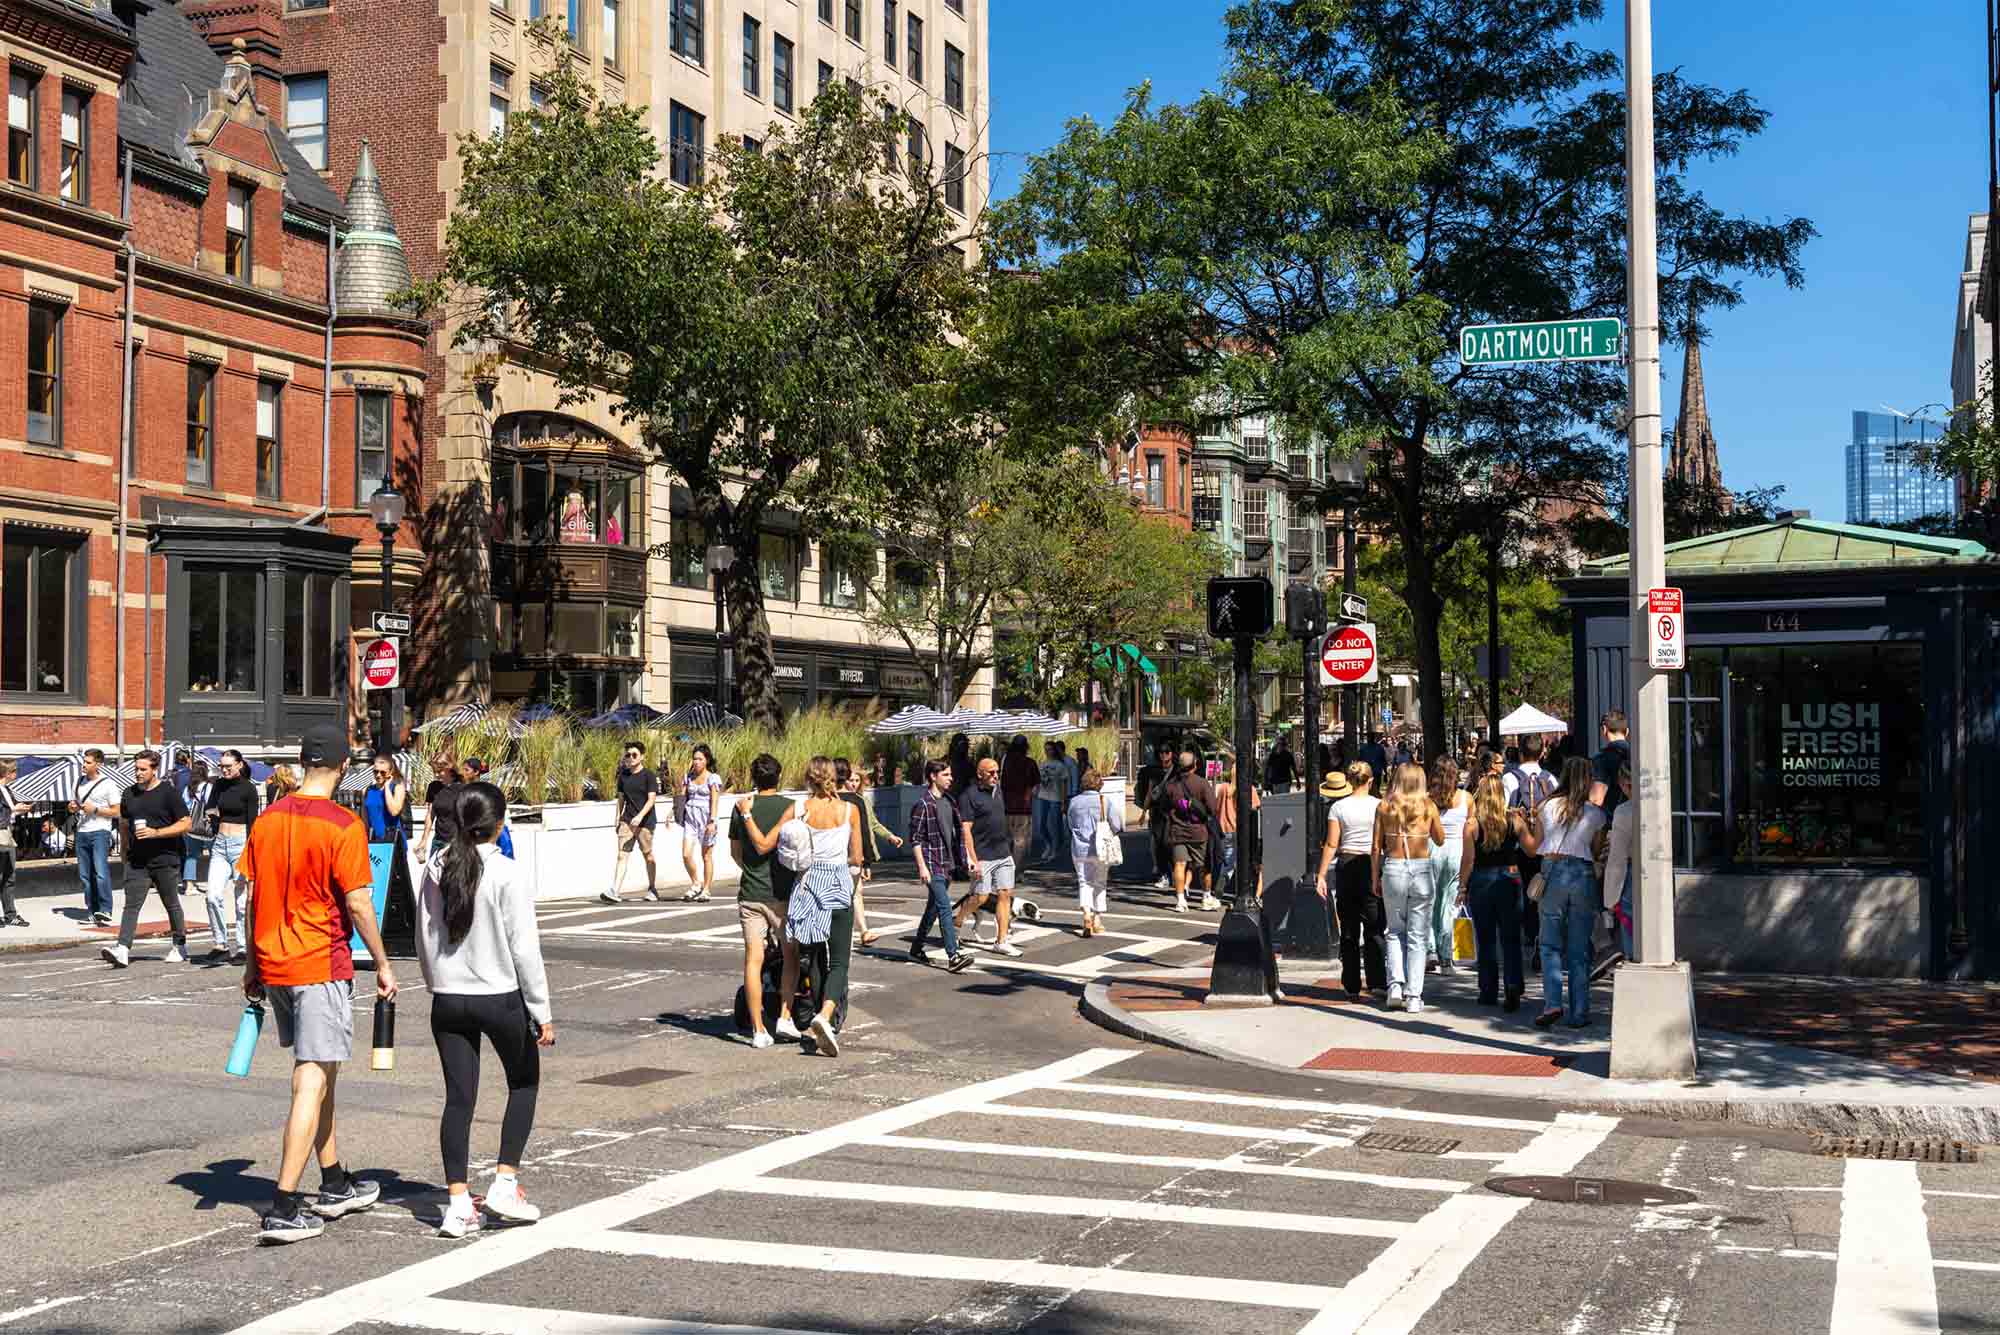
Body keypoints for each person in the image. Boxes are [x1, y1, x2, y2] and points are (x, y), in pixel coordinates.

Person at [238, 723, 396, 1245]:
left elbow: (252, 894)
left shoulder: (267, 819)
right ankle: (285, 1203)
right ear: (342, 767)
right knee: (312, 1076)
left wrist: (251, 965)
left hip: (273, 959)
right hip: (319, 961)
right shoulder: (343, 824)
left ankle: (333, 1182)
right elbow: (357, 903)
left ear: (304, 762)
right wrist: (383, 962)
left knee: (322, 1070)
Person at [415, 781, 553, 1238]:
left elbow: (422, 935)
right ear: (499, 822)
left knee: (459, 1098)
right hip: (499, 995)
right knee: (524, 1081)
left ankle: (457, 1202)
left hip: (448, 997)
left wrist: (435, 980)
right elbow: (525, 949)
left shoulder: (436, 866)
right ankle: (505, 1181)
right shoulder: (507, 872)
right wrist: (541, 1009)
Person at [753, 757, 858, 1057]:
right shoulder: (849, 810)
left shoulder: (798, 809)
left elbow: (768, 843)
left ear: (809, 778)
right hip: (837, 882)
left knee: (813, 954)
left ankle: (815, 1010)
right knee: (839, 960)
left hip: (807, 884)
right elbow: (857, 856)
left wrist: (748, 816)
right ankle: (825, 1016)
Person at [730, 753, 808, 1043]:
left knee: (753, 960)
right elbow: (769, 846)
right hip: (781, 893)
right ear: (779, 776)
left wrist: (751, 871)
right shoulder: (789, 807)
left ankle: (758, 1030)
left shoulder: (740, 807)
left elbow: (736, 853)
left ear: (754, 778)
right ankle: (785, 1018)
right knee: (791, 955)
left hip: (750, 892)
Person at [1534, 756, 1607, 1029]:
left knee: (1550, 944)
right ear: (1587, 780)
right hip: (1582, 875)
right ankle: (1579, 1011)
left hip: (1552, 871)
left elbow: (1535, 843)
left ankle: (1553, 1002)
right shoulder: (1596, 814)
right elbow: (1597, 851)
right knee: (1579, 948)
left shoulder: (1546, 806)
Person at [102, 750, 191, 968]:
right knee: (131, 905)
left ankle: (179, 945)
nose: (138, 773)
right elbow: (124, 823)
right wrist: (124, 850)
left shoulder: (168, 793)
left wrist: (156, 833)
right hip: (137, 859)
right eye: (136, 769)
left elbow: (186, 823)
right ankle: (122, 949)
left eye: (143, 769)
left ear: (154, 769)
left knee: (171, 903)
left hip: (166, 857)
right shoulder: (129, 793)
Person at [1459, 776, 1536, 1010]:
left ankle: (1488, 989)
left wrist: (1462, 886)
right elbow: (1532, 850)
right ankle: (1513, 985)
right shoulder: (1513, 819)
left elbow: (1468, 860)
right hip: (1509, 876)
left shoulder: (1472, 824)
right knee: (1511, 936)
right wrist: (1533, 823)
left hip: (1482, 878)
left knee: (1486, 937)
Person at [1372, 763, 1443, 1013]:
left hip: (1393, 867)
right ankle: (1414, 995)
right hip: (1421, 868)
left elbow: (1375, 847)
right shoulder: (1428, 806)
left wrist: (1374, 878)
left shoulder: (1384, 806)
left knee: (1394, 931)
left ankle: (1394, 986)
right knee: (1417, 935)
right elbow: (1440, 838)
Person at [1315, 763, 1383, 998]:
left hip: (1346, 863)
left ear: (1350, 782)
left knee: (1349, 927)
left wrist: (1321, 874)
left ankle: (1351, 983)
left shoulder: (1338, 807)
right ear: (1370, 781)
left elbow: (1332, 843)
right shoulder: (1379, 806)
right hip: (1372, 863)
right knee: (1375, 925)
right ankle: (1377, 980)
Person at [905, 759, 972, 972]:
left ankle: (916, 949)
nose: (951, 778)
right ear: (933, 776)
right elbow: (915, 839)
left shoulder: (950, 801)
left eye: (950, 774)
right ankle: (953, 955)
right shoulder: (922, 805)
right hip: (932, 863)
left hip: (948, 863)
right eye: (946, 775)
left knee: (933, 908)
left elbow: (956, 835)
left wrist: (967, 857)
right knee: (944, 906)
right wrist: (922, 867)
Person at [952, 756, 1021, 956]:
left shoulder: (997, 790)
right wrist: (972, 859)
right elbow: (966, 830)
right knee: (980, 897)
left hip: (1003, 853)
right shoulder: (969, 796)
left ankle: (1001, 941)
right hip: (982, 855)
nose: (995, 776)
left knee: (1005, 894)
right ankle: (957, 920)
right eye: (991, 772)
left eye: (997, 772)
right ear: (979, 774)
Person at [203, 749, 260, 963]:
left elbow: (253, 822)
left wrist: (251, 850)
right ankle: (220, 943)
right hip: (219, 844)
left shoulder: (249, 789)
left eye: (228, 766)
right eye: (222, 766)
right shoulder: (218, 784)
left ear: (239, 765)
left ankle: (244, 947)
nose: (224, 770)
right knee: (212, 896)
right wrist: (211, 815)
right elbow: (209, 807)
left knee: (241, 901)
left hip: (241, 845)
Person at [837, 757, 901, 947]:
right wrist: (866, 861)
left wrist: (888, 837)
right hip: (851, 856)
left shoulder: (855, 800)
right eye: (852, 780)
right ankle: (858, 931)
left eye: (858, 780)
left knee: (854, 893)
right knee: (853, 894)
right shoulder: (855, 802)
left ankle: (862, 930)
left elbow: (870, 826)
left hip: (844, 855)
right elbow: (864, 831)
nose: (854, 784)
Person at [601, 740, 660, 904]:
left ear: (641, 757)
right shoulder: (623, 776)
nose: (631, 758)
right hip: (627, 820)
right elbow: (620, 799)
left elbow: (651, 800)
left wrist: (640, 816)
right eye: (628, 755)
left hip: (645, 821)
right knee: (622, 855)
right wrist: (618, 817)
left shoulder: (649, 775)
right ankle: (615, 890)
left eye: (634, 755)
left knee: (648, 855)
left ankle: (652, 888)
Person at [1427, 758, 1471, 977]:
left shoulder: (1429, 798)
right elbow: (1472, 829)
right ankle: (1446, 958)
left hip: (1432, 847)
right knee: (1448, 905)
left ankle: (1430, 950)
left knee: (1429, 901)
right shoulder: (1466, 798)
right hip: (1457, 851)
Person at [1067, 767, 1122, 936]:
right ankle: (1097, 919)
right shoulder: (1104, 801)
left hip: (1079, 848)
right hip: (1101, 849)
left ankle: (1086, 914)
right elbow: (1117, 825)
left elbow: (1070, 823)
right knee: (1100, 883)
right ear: (1099, 784)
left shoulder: (1074, 801)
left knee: (1084, 882)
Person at [1161, 749, 1217, 915]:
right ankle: (1206, 897)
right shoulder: (1202, 783)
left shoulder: (1171, 785)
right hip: (1198, 832)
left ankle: (1180, 900)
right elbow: (1212, 809)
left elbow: (1163, 807)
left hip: (1178, 831)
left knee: (1179, 865)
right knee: (1204, 866)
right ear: (1195, 766)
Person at [72, 747, 120, 926]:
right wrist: (73, 807)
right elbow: (76, 804)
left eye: (88, 762)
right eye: (84, 761)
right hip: (82, 831)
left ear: (98, 764)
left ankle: (105, 910)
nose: (84, 765)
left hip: (100, 830)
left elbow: (117, 811)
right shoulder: (78, 782)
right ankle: (92, 911)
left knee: (100, 872)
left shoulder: (108, 784)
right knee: (85, 875)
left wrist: (96, 809)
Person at [677, 744, 723, 903]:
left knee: (706, 856)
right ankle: (696, 882)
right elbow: (682, 797)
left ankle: (706, 889)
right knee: (686, 854)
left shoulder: (713, 778)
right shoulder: (688, 777)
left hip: (706, 817)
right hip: (690, 817)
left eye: (700, 759)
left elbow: (715, 801)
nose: (696, 762)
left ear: (706, 760)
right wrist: (673, 812)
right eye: (694, 758)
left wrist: (713, 821)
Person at [1600, 763, 1635, 964]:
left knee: (1631, 935)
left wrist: (1610, 899)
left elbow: (1617, 859)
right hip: (1659, 875)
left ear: (1623, 784)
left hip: (1630, 877)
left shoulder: (1623, 812)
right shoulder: (1662, 805)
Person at [1215, 761, 1262, 904]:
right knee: (1244, 862)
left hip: (1225, 829)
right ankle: (1241, 892)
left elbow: (1217, 808)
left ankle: (1223, 878)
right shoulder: (1249, 789)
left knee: (1229, 860)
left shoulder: (1223, 788)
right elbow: (1255, 809)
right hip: (1241, 829)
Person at [1134, 742, 1174, 892]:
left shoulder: (1176, 771)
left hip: (1172, 812)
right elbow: (1150, 793)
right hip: (1157, 812)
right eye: (1161, 752)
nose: (1164, 755)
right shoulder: (1154, 772)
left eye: (1166, 752)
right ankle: (1164, 875)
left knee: (1171, 845)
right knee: (1159, 844)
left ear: (1172, 754)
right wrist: (1143, 812)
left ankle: (1175, 874)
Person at [999, 735, 1038, 865]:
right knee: (1020, 841)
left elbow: (1001, 782)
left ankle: (1006, 869)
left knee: (1007, 839)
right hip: (1024, 807)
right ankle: (1017, 871)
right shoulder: (1030, 763)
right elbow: (1036, 786)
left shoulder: (1005, 761)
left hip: (1006, 805)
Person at [1029, 740, 1069, 868]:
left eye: (1050, 749)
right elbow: (1037, 780)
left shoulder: (1061, 766)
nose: (1047, 751)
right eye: (1045, 749)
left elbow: (1064, 785)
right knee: (1041, 825)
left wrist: (1063, 801)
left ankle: (1055, 849)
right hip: (1042, 797)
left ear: (1054, 750)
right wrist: (1035, 789)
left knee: (1054, 825)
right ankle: (1049, 844)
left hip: (1055, 798)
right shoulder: (1042, 764)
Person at [1588, 710, 1631, 818]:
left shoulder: (1601, 759)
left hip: (1613, 823)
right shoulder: (1638, 755)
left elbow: (1596, 799)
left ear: (1604, 730)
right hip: (1640, 819)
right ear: (1627, 732)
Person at [182, 759, 215, 886]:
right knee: (214, 854)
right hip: (206, 824)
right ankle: (212, 882)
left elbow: (183, 804)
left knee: (191, 855)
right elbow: (211, 805)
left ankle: (189, 884)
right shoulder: (209, 787)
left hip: (191, 825)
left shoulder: (188, 788)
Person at [364, 752, 408, 844]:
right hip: (374, 840)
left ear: (390, 772)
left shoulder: (397, 786)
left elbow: (394, 811)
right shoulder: (368, 790)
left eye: (383, 772)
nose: (378, 775)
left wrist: (387, 787)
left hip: (393, 840)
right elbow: (366, 817)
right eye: (375, 771)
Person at [0, 761, 24, 927]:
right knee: (4, 874)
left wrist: (19, 809)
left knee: (9, 875)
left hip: (7, 832)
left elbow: (12, 809)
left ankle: (10, 914)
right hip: (1, 832)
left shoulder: (7, 790)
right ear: (8, 774)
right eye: (13, 772)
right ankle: (9, 914)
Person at [944, 733, 974, 803]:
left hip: (964, 799)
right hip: (948, 798)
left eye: (966, 745)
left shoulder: (968, 764)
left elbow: (973, 782)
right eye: (962, 744)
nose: (965, 748)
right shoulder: (945, 762)